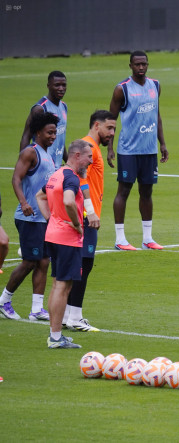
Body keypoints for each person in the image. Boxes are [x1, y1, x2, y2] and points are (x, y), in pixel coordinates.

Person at [35, 139, 95, 349]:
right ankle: (55, 338)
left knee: (57, 285)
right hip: (67, 239)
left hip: (54, 235)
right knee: (63, 286)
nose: (90, 161)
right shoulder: (71, 178)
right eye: (88, 157)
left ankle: (55, 334)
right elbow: (69, 201)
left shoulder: (57, 174)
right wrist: (77, 224)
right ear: (77, 155)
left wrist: (52, 219)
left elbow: (40, 196)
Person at [0, 112, 58, 321]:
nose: (53, 136)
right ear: (38, 132)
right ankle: (4, 300)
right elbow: (16, 178)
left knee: (43, 261)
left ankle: (36, 309)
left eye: (55, 132)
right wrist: (24, 202)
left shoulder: (48, 155)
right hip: (29, 217)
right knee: (29, 262)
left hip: (42, 218)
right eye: (49, 132)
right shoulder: (30, 152)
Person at [107, 50, 168, 251]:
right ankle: (120, 239)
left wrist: (162, 144)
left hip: (149, 150)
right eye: (137, 64)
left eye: (144, 64)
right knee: (124, 191)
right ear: (130, 66)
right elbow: (110, 120)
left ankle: (147, 239)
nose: (141, 67)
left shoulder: (155, 85)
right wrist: (110, 148)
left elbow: (157, 115)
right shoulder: (122, 89)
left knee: (147, 192)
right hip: (128, 150)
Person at [64, 110, 115, 333]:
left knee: (80, 265)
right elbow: (81, 178)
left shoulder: (91, 146)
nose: (112, 133)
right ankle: (75, 316)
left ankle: (67, 314)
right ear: (96, 125)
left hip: (85, 214)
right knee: (84, 265)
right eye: (109, 128)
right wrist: (91, 211)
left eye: (114, 129)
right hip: (86, 216)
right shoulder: (89, 147)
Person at [20, 71, 68, 166]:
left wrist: (69, 161)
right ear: (48, 86)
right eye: (57, 85)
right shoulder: (40, 108)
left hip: (56, 166)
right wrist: (22, 164)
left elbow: (60, 138)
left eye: (64, 85)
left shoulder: (64, 106)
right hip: (43, 165)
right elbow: (26, 136)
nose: (61, 89)